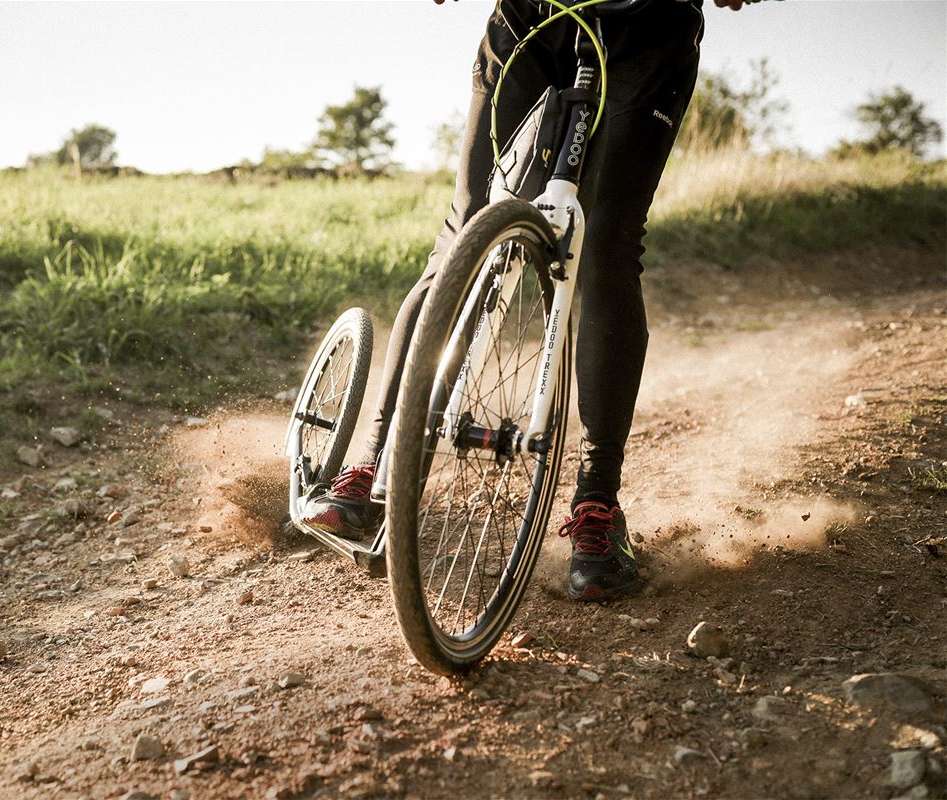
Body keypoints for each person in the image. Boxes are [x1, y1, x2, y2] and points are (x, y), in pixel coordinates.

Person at [301, 0, 757, 601]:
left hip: (649, 29)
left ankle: (596, 503)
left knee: (605, 250)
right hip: (533, 15)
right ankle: (375, 464)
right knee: (468, 228)